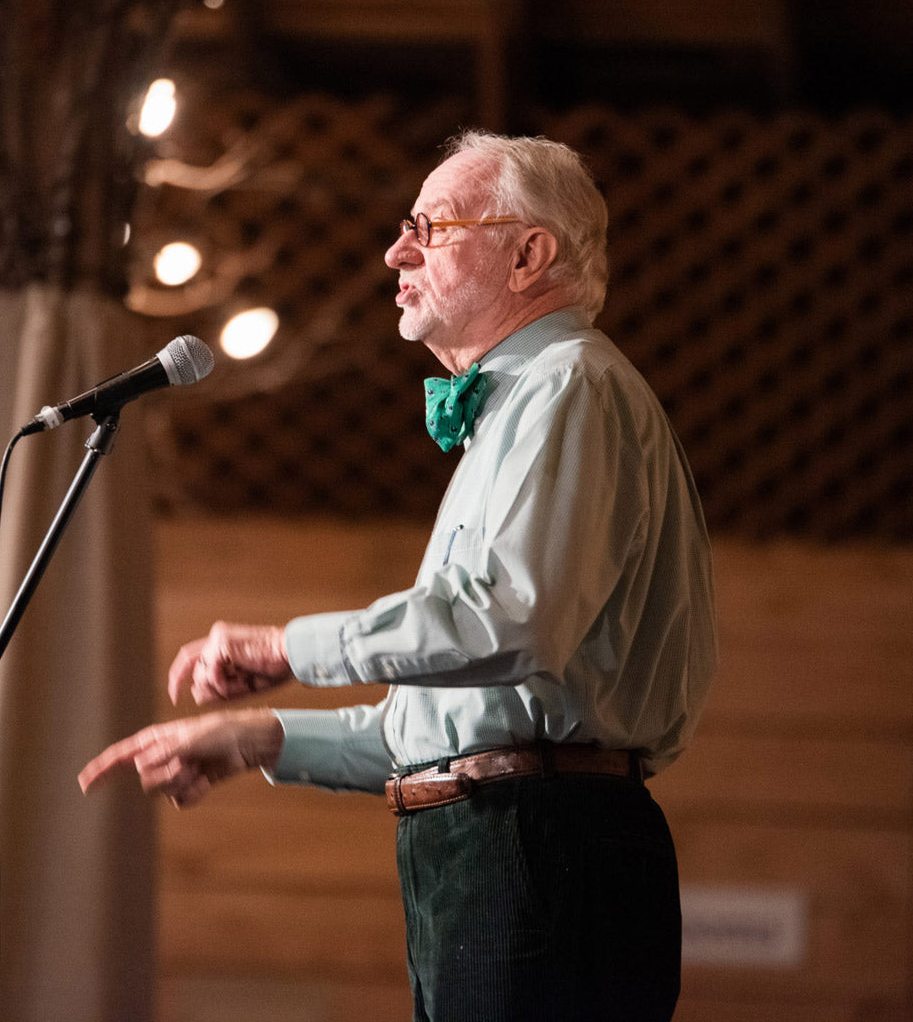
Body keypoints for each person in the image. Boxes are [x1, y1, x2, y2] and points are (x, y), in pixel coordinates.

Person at [79, 131, 718, 1021]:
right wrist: (259, 738)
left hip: (540, 849)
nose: (395, 251)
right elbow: (449, 729)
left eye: (432, 226)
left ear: (530, 253)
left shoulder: (572, 384)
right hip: (499, 845)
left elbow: (507, 626)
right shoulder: (528, 405)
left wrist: (289, 647)